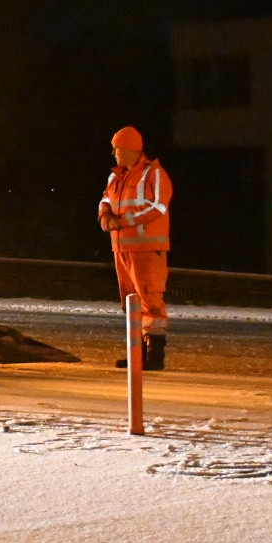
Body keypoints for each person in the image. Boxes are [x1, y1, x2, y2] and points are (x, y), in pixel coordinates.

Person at [99, 126, 172, 370]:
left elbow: (159, 206)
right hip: (122, 250)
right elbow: (105, 201)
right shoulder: (116, 177)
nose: (113, 153)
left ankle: (154, 355)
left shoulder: (154, 173)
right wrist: (105, 217)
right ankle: (137, 354)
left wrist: (123, 221)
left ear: (130, 148)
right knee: (130, 302)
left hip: (146, 250)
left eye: (116, 148)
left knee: (149, 300)